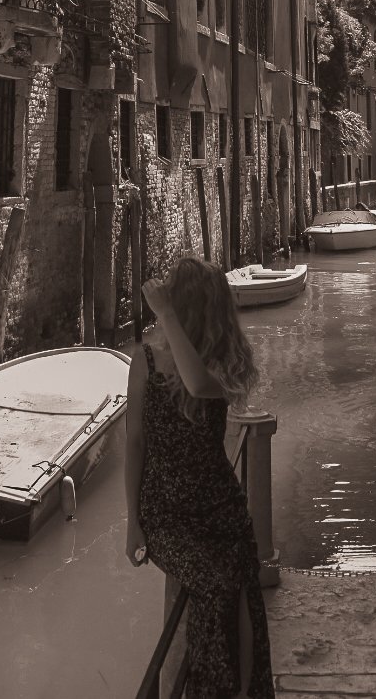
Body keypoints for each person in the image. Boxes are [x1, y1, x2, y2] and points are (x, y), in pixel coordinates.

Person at [125, 256, 274, 699]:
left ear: (186, 306)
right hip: (166, 514)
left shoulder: (224, 363)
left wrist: (165, 314)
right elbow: (135, 443)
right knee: (214, 585)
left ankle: (243, 691)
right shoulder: (145, 361)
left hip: (220, 508)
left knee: (242, 593)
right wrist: (132, 522)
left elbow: (195, 384)